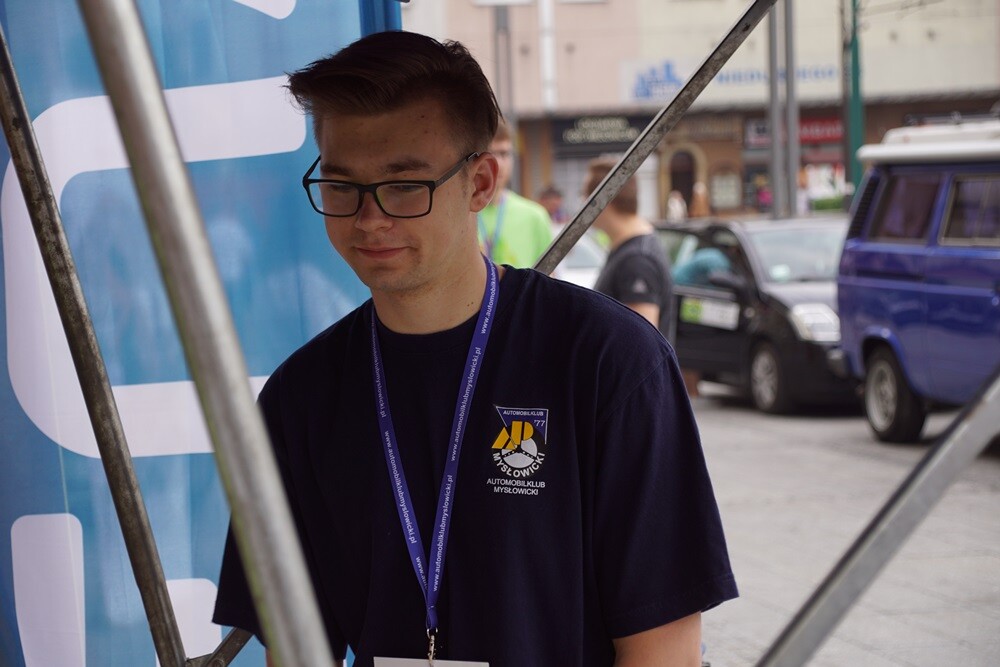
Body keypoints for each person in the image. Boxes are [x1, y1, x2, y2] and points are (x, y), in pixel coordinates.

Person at [213, 30, 736, 667]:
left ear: (481, 183)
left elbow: (664, 650)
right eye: (343, 186)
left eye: (404, 186)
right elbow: (295, 650)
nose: (368, 219)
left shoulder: (609, 362)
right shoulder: (301, 398)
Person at [587, 157, 675, 343]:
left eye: (586, 197)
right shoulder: (631, 248)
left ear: (603, 201)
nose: (582, 204)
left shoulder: (637, 260)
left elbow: (640, 345)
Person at [476, 119, 554, 267]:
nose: (497, 164)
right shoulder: (457, 216)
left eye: (504, 154)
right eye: (490, 154)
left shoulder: (535, 216)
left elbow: (549, 279)